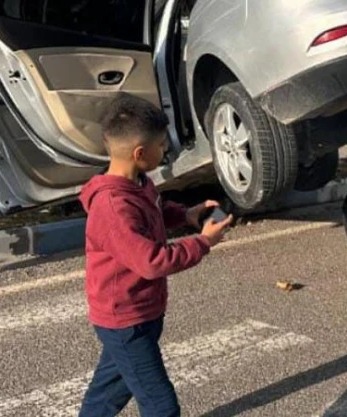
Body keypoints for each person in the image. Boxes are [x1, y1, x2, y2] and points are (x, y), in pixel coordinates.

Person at [79, 95, 233, 417]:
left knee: (110, 390)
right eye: (161, 145)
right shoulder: (113, 208)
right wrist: (203, 243)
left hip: (142, 312)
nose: (165, 151)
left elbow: (156, 212)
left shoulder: (138, 183)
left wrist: (187, 215)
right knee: (161, 405)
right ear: (140, 153)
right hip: (125, 319)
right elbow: (152, 261)